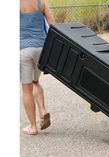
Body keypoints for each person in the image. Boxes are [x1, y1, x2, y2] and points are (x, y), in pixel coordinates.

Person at [20, 0, 55, 135]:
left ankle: (33, 127)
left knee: (26, 88)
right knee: (35, 82)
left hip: (22, 50)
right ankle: (42, 110)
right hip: (41, 49)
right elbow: (53, 25)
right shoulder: (42, 2)